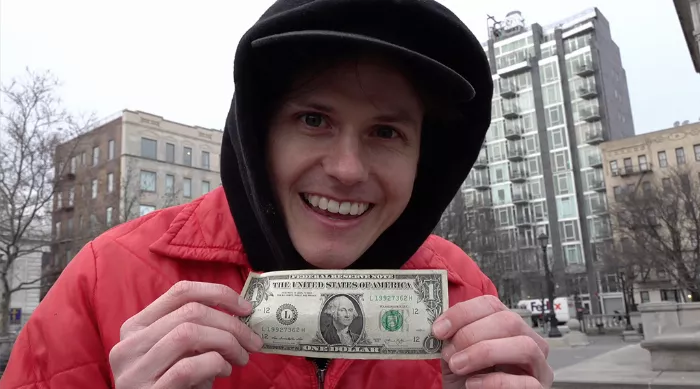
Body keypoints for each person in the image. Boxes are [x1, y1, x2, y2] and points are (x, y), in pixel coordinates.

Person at [0, 1, 554, 388]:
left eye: (386, 132)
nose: (345, 168)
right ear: (258, 136)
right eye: (314, 119)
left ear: (423, 160)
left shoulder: (465, 293)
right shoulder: (101, 282)